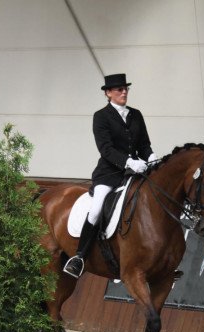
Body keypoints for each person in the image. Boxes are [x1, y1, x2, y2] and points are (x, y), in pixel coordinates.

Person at [63, 73, 157, 278]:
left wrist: (152, 158)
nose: (124, 92)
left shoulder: (136, 114)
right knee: (96, 209)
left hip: (136, 174)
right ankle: (79, 257)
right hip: (110, 174)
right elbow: (105, 149)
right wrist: (128, 162)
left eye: (125, 89)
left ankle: (160, 259)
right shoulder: (101, 116)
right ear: (108, 93)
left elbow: (144, 145)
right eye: (119, 90)